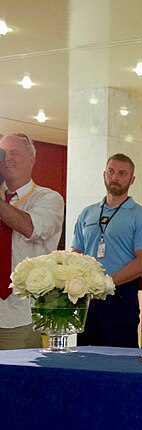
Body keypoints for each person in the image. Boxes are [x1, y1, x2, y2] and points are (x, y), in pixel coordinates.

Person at [72, 153, 142, 348]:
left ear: (131, 179)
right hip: (88, 301)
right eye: (111, 171)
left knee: (120, 363)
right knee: (84, 360)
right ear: (104, 174)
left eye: (122, 173)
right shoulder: (88, 213)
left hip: (121, 298)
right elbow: (76, 254)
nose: (115, 177)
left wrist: (107, 283)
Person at [0, 133, 64, 349]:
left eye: (14, 153)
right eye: (3, 153)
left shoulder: (49, 198)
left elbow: (30, 227)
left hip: (21, 316)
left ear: (31, 160)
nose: (7, 159)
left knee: (16, 381)